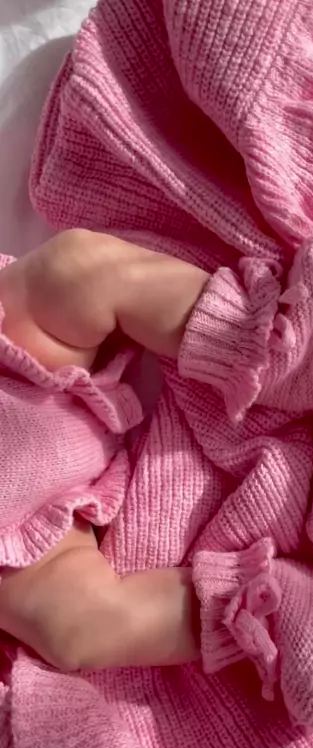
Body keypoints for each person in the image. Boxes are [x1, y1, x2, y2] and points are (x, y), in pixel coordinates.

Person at [0, 227, 208, 672]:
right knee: (75, 631)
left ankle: (246, 332)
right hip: (19, 548)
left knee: (75, 268)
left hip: (20, 362)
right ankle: (245, 610)